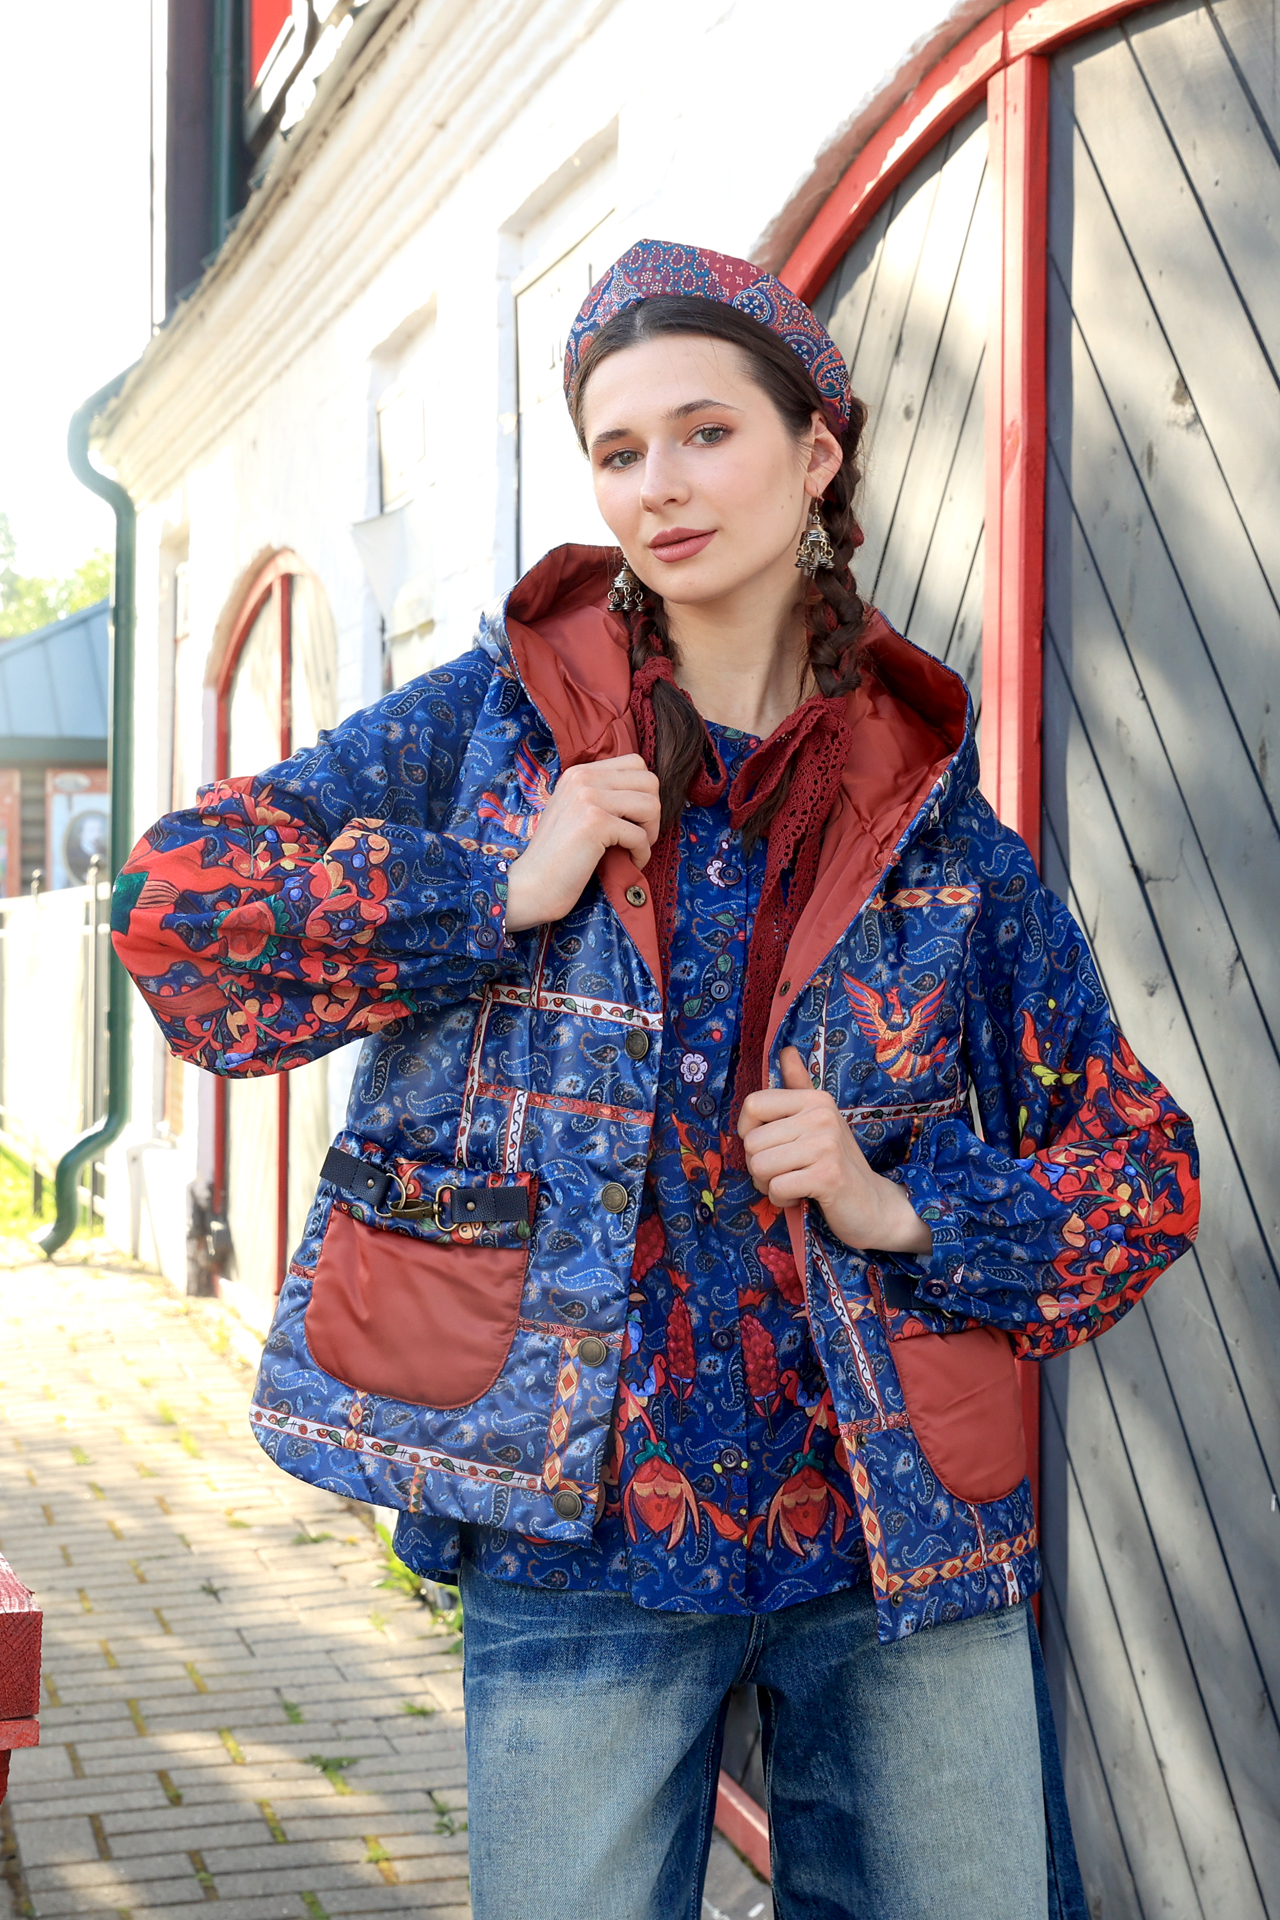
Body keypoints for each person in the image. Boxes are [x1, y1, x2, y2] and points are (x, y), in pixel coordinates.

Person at [112, 240, 1199, 1920]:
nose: (660, 487)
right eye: (619, 451)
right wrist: (491, 891)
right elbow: (177, 915)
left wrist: (904, 1205)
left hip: (896, 1536)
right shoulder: (491, 734)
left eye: (705, 433)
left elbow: (1140, 1171)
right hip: (585, 1528)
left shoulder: (930, 815)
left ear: (815, 452)